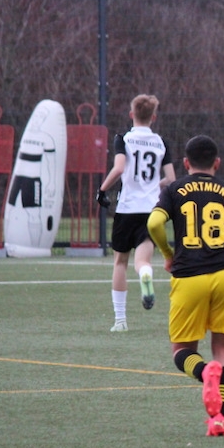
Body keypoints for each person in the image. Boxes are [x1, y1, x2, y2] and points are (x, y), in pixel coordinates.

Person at [147, 135, 224, 437]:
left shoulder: (174, 189)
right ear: (217, 163)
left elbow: (154, 224)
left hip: (189, 275)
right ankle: (219, 419)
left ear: (186, 163)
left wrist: (168, 254)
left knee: (182, 351)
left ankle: (204, 371)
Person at [96, 94, 176, 332]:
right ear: (154, 117)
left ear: (132, 115)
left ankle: (120, 321)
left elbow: (119, 168)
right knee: (143, 261)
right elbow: (171, 179)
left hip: (127, 209)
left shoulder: (123, 139)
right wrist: (154, 186)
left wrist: (102, 189)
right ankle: (146, 274)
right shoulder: (161, 142)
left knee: (120, 262)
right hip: (152, 210)